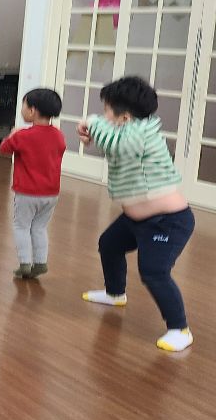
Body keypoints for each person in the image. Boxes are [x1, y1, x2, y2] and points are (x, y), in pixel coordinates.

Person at [77, 76, 195, 352]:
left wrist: (92, 122)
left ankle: (180, 329)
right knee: (109, 244)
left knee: (154, 272)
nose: (102, 117)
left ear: (125, 117)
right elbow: (113, 143)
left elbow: (118, 145)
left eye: (106, 111)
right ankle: (115, 293)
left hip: (167, 223)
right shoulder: (130, 130)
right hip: (135, 220)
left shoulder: (141, 135)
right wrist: (92, 135)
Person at [0, 89, 66, 278]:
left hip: (27, 193)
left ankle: (25, 263)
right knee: (39, 227)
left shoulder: (23, 136)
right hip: (51, 193)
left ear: (32, 110)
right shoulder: (58, 135)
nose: (22, 109)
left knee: (21, 226)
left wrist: (12, 134)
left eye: (24, 105)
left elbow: (4, 149)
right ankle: (40, 262)